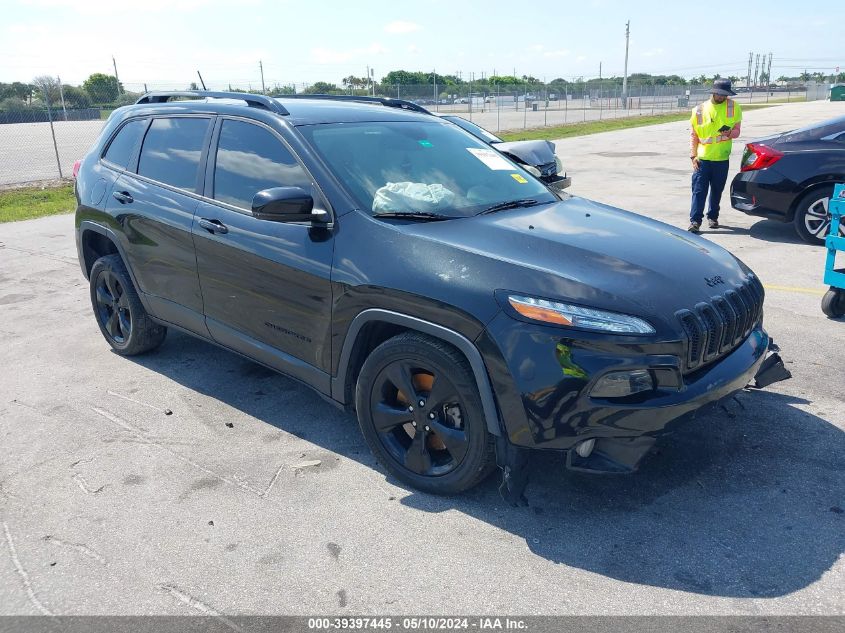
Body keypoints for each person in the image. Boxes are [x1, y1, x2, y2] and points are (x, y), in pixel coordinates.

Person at [688, 78, 742, 233]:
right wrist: (693, 156)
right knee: (699, 191)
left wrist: (730, 133)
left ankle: (713, 217)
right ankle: (695, 221)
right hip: (702, 159)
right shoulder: (698, 110)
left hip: (722, 158)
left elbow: (737, 131)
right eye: (721, 94)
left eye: (726, 94)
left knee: (717, 190)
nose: (724, 97)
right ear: (714, 92)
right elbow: (694, 135)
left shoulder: (734, 107)